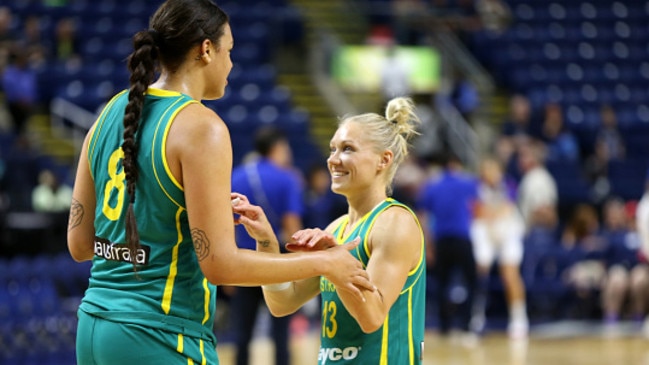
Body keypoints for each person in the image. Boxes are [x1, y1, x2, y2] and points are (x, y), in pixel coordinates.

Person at [66, 1, 372, 364]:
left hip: (94, 326)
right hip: (160, 334)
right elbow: (220, 265)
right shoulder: (201, 126)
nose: (231, 64)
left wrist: (165, 224)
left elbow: (80, 244)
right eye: (229, 51)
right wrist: (325, 263)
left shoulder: (110, 112)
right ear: (206, 50)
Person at [234, 96, 426, 364]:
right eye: (332, 149)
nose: (333, 160)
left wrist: (334, 259)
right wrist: (266, 242)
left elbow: (371, 317)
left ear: (383, 160)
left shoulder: (394, 222)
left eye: (347, 149)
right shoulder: (337, 228)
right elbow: (282, 303)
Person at [230, 126, 304, 365]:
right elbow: (293, 229)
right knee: (280, 330)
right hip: (276, 262)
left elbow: (225, 223)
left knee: (242, 331)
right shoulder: (288, 178)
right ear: (278, 148)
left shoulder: (236, 176)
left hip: (242, 262)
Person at [417, 151, 479, 343]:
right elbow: (477, 207)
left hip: (441, 240)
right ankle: (467, 325)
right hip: (462, 238)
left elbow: (422, 216)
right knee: (471, 282)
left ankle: (444, 326)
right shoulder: (467, 183)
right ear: (456, 164)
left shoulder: (432, 187)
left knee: (442, 284)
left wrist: (427, 244)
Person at [470, 156, 528, 339]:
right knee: (480, 269)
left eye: (492, 169)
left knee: (510, 272)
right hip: (485, 230)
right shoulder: (475, 187)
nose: (489, 174)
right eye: (485, 170)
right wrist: (490, 215)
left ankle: (519, 318)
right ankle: (476, 315)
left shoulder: (509, 184)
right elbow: (477, 210)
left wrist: (493, 215)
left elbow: (507, 208)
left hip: (507, 230)